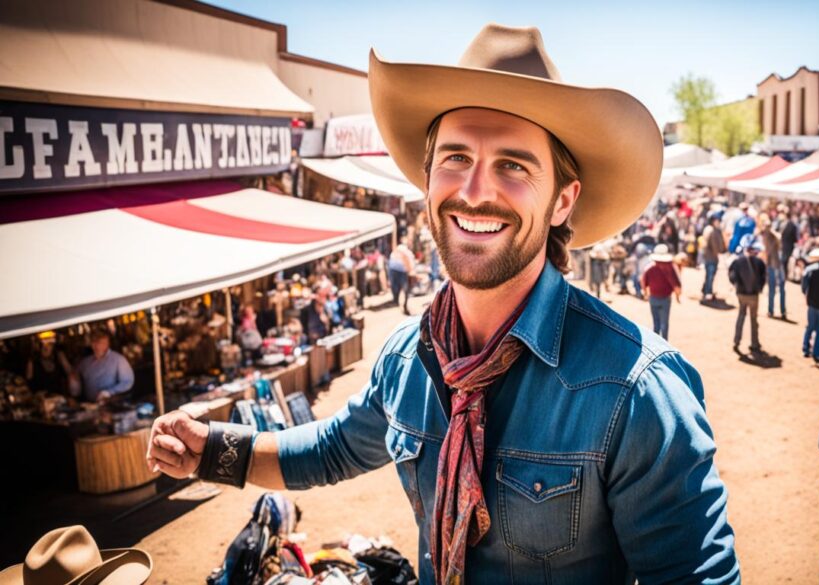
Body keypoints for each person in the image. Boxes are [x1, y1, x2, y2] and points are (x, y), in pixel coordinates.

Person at [146, 24, 738, 584]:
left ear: (563, 201)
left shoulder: (636, 390)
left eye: (512, 165)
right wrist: (211, 453)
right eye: (456, 158)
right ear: (427, 181)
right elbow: (332, 449)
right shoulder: (409, 356)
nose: (475, 190)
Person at [728, 233, 766, 353]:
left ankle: (736, 340)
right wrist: (759, 288)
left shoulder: (738, 261)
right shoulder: (759, 262)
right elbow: (763, 278)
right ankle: (754, 343)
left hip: (741, 294)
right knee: (753, 319)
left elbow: (731, 275)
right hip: (753, 294)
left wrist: (736, 285)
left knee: (741, 316)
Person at [76, 329, 134, 403]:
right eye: (93, 342)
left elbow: (127, 381)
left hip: (112, 404)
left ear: (107, 343)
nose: (95, 345)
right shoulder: (85, 362)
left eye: (99, 342)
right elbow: (74, 375)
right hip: (89, 405)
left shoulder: (118, 359)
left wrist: (109, 392)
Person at [641, 244, 682, 339]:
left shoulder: (649, 268)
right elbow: (676, 285)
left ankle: (656, 347)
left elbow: (643, 282)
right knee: (664, 324)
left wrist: (646, 294)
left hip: (653, 298)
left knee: (656, 324)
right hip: (665, 299)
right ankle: (665, 344)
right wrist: (677, 297)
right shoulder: (670, 267)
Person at [25, 331, 74, 395]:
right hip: (42, 399)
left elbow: (70, 373)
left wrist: (61, 355)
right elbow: (29, 383)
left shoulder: (58, 358)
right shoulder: (33, 362)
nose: (45, 348)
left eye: (49, 345)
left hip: (59, 398)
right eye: (42, 345)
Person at [760, 216, 786, 319]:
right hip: (778, 264)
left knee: (772, 289)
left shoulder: (769, 236)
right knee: (781, 289)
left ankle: (771, 311)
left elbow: (768, 252)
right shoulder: (776, 236)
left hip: (773, 264)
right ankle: (782, 311)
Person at [702, 212, 727, 301]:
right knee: (710, 275)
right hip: (711, 256)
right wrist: (719, 252)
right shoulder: (711, 230)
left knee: (710, 275)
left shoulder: (717, 230)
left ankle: (706, 290)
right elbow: (714, 245)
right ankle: (708, 293)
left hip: (713, 256)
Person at [388, 239, 416, 315]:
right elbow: (404, 258)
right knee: (402, 289)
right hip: (399, 270)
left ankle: (402, 305)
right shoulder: (402, 248)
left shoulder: (408, 252)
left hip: (401, 271)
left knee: (403, 289)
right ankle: (401, 304)